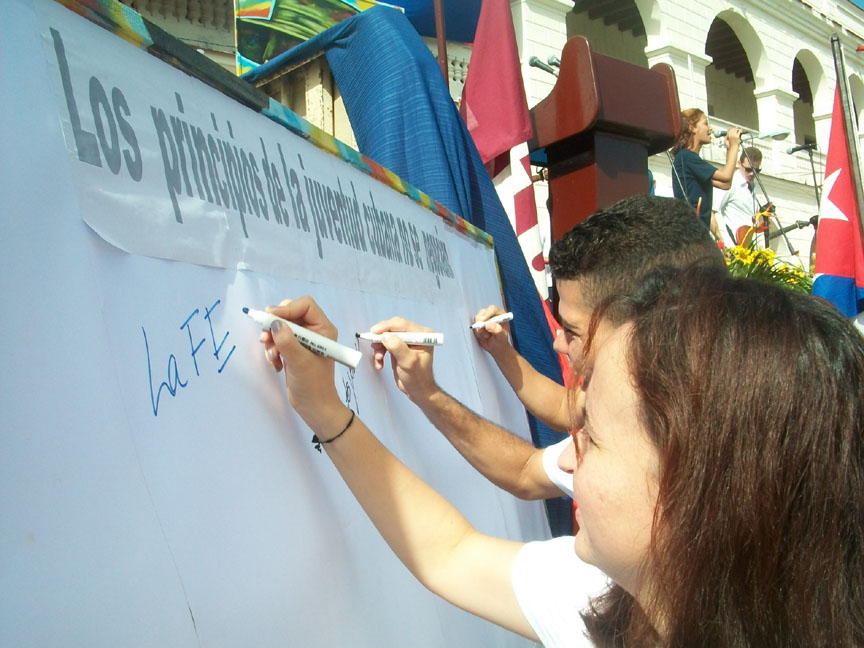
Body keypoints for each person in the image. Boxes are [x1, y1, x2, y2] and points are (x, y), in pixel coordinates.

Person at [258, 268, 864, 647]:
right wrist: (326, 410)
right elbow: (451, 554)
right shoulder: (621, 602)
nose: (566, 465)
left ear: (702, 491)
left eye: (592, 435)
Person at [368, 195, 725, 501]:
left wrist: (426, 394)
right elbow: (560, 410)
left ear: (649, 336)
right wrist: (502, 353)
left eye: (572, 331)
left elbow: (526, 475)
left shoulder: (664, 460)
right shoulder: (686, 388)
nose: (557, 342)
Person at [670, 108, 742, 236]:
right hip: (690, 232)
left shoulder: (692, 159)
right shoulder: (686, 157)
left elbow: (725, 184)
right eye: (705, 123)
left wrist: (730, 149)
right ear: (692, 128)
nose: (710, 129)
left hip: (699, 231)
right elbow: (725, 176)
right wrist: (735, 146)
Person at [719, 146, 763, 247]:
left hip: (749, 248)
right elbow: (713, 211)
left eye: (756, 171)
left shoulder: (753, 187)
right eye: (748, 169)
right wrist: (721, 241)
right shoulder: (731, 183)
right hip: (733, 246)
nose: (752, 174)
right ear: (739, 164)